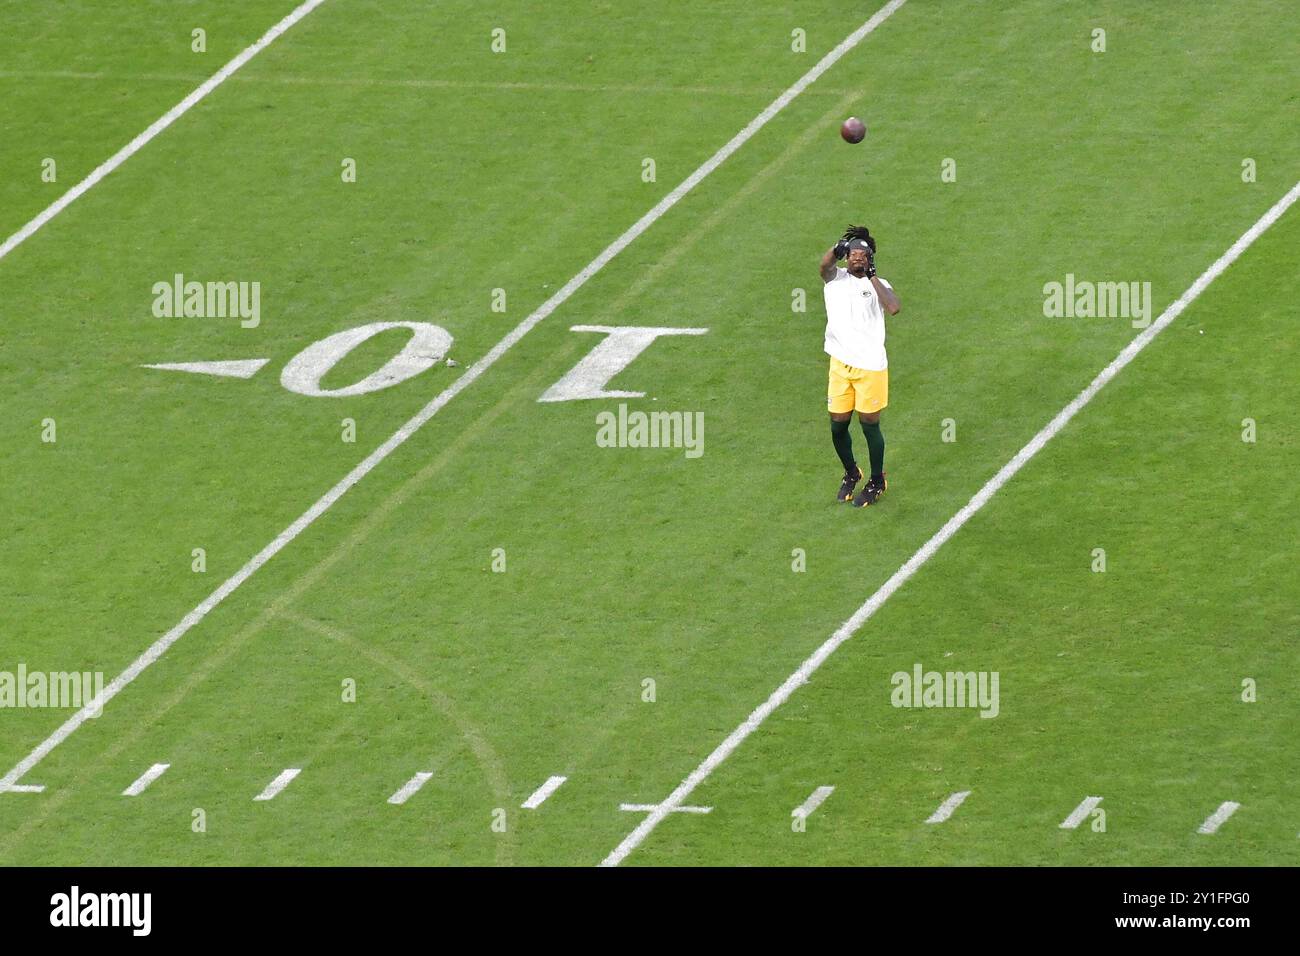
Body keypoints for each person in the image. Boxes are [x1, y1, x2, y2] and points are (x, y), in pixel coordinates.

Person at [819, 225, 901, 507]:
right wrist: (835, 247)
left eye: (862, 254)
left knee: (869, 424)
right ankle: (852, 472)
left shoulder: (879, 284)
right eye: (852, 253)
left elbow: (893, 307)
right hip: (840, 364)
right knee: (837, 426)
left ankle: (877, 479)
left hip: (870, 366)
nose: (856, 258)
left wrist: (873, 277)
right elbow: (824, 265)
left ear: (870, 259)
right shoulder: (834, 279)